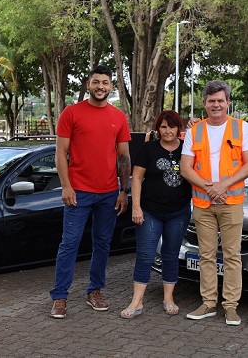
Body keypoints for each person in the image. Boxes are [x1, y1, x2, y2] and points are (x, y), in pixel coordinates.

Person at [49, 65, 132, 319]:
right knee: (70, 244)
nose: (100, 86)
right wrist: (66, 185)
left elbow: (124, 157)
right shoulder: (72, 113)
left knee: (102, 243)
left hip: (109, 193)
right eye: (96, 82)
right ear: (88, 85)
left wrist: (123, 190)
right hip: (78, 192)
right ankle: (60, 297)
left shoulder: (118, 117)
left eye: (105, 82)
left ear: (111, 87)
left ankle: (94, 291)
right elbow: (60, 153)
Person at [180, 80, 248, 326]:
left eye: (220, 100)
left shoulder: (242, 128)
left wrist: (224, 185)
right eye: (211, 101)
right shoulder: (194, 131)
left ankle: (230, 306)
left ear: (228, 102)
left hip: (231, 202)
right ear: (205, 104)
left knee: (231, 256)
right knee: (206, 255)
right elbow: (186, 168)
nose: (216, 104)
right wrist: (211, 188)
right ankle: (208, 303)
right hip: (203, 204)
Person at [120, 110, 191, 319]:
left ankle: (168, 298)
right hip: (150, 212)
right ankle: (137, 301)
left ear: (179, 128)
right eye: (163, 127)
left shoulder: (187, 151)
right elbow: (136, 179)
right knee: (145, 255)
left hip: (178, 213)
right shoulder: (149, 149)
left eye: (172, 126)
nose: (168, 131)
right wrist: (136, 207)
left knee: (171, 254)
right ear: (158, 129)